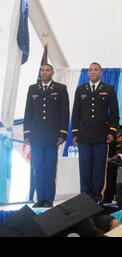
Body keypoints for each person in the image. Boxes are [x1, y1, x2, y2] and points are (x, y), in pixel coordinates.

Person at [72, 62, 119, 203]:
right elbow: (76, 113)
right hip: (84, 135)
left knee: (99, 168)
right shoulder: (81, 89)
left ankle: (98, 197)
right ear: (88, 73)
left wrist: (112, 130)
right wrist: (75, 133)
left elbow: (114, 113)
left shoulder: (108, 89)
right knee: (84, 167)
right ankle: (85, 197)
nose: (93, 72)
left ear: (101, 72)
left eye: (96, 70)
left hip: (101, 135)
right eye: (91, 70)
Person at [23, 64, 69, 208]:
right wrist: (27, 133)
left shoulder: (60, 89)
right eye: (42, 70)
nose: (44, 72)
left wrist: (62, 133)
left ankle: (48, 198)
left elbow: (64, 112)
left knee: (49, 169)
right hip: (36, 136)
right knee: (37, 168)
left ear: (52, 72)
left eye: (47, 70)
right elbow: (28, 112)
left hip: (52, 136)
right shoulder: (33, 89)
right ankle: (40, 198)